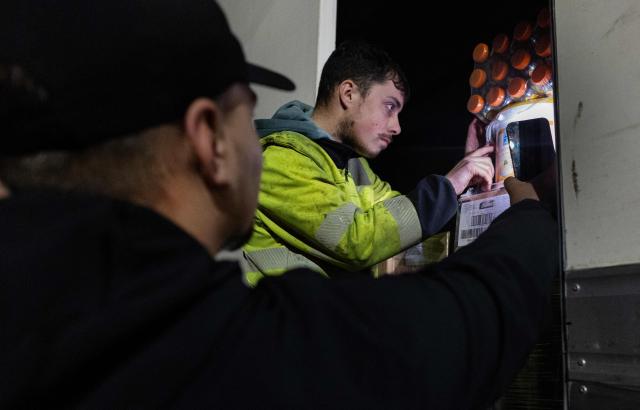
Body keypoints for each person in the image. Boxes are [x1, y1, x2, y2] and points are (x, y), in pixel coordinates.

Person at [0, 1, 559, 409]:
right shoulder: (232, 354)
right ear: (210, 141)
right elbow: (442, 333)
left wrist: (470, 204)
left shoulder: (52, 324)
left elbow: (404, 237)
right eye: (245, 112)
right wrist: (529, 212)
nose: (258, 133)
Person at [243, 41, 495, 285]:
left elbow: (400, 237)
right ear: (349, 93)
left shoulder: (353, 167)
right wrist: (448, 186)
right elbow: (356, 242)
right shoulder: (279, 162)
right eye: (389, 106)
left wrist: (469, 190)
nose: (397, 127)